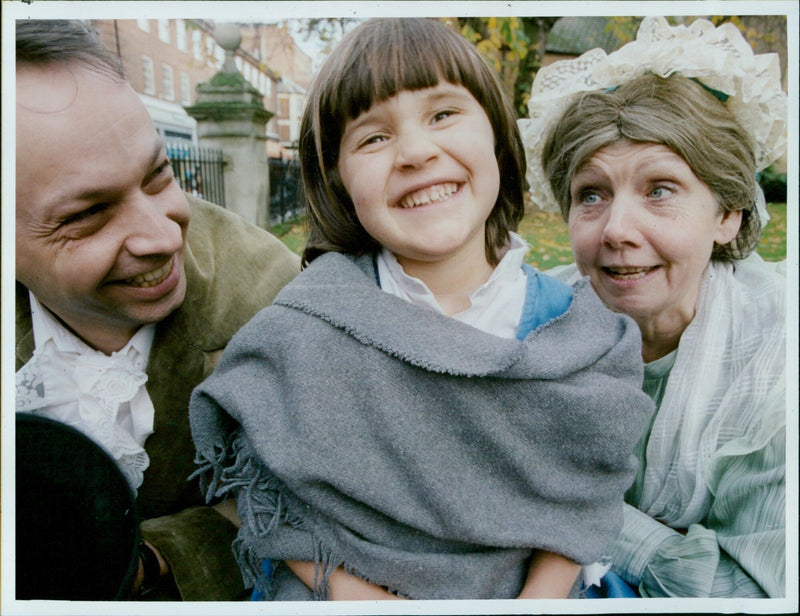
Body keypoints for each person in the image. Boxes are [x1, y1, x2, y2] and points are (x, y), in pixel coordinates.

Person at [190, 18, 654, 601]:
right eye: (373, 138)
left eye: (442, 115)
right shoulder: (304, 327)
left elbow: (585, 491)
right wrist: (360, 599)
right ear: (338, 176)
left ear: (495, 134)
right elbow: (250, 483)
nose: (414, 152)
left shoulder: (582, 331)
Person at [14, 20, 300, 600]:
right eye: (87, 215)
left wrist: (149, 562)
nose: (163, 237)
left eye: (159, 174)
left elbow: (329, 521)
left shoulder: (280, 312)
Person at [519, 16, 787, 597]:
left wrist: (574, 510)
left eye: (659, 189)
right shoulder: (529, 321)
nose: (617, 230)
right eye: (591, 195)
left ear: (727, 214)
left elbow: (753, 595)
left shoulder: (777, 363)